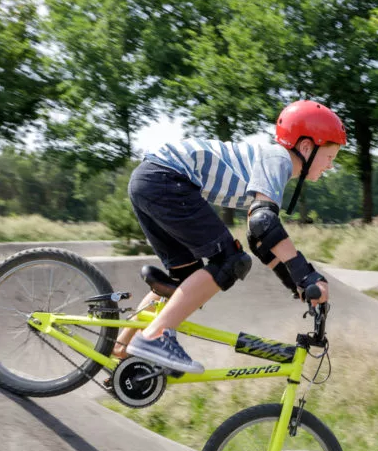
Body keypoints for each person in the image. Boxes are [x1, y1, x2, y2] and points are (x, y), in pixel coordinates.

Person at [113, 100, 345, 374]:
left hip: (149, 179)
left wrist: (294, 283)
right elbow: (264, 223)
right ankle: (155, 336)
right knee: (231, 262)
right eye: (330, 157)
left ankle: (121, 351)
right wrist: (306, 275)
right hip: (166, 179)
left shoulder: (264, 163)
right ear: (306, 147)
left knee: (186, 282)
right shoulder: (278, 159)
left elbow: (259, 241)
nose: (330, 166)